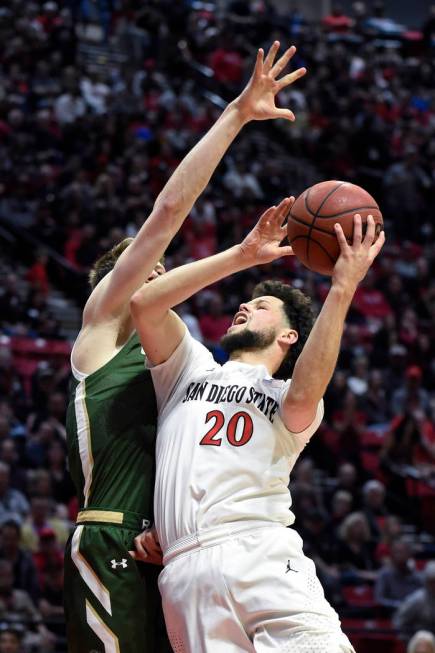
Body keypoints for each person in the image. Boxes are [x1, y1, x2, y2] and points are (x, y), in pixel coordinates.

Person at [64, 41, 306, 653]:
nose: (159, 274)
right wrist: (236, 114)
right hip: (109, 541)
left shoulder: (179, 369)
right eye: (148, 268)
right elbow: (169, 211)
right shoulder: (101, 327)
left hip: (167, 554)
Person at [130, 203, 384, 652]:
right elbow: (144, 304)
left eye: (262, 305)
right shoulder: (189, 370)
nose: (245, 304)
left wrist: (343, 287)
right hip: (183, 569)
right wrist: (244, 254)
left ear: (288, 337)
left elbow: (307, 391)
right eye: (246, 301)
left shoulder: (288, 397)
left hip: (259, 551)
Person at [393, 561, 435, 640]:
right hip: (418, 642)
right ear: (427, 581)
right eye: (433, 581)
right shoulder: (416, 600)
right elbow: (399, 622)